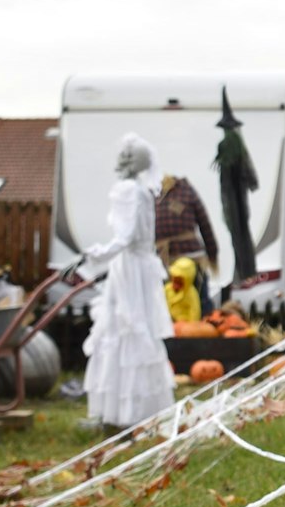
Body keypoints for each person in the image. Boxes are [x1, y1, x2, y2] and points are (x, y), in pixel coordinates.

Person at [81, 134, 174, 428]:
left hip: (130, 268)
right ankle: (139, 410)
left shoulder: (128, 190)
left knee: (125, 329)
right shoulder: (142, 190)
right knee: (135, 331)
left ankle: (125, 413)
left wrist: (95, 255)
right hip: (141, 267)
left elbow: (124, 237)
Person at [155, 174, 219, 314]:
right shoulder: (159, 196)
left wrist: (212, 254)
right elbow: (205, 224)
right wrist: (213, 255)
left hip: (180, 261)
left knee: (186, 302)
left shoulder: (178, 193)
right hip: (178, 261)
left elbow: (204, 224)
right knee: (190, 303)